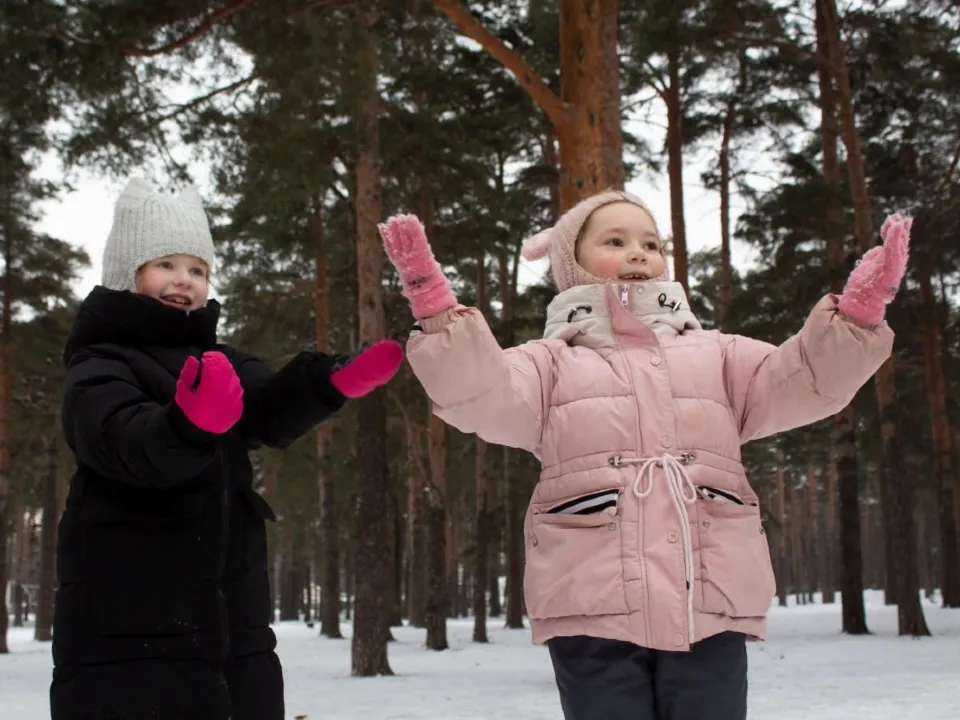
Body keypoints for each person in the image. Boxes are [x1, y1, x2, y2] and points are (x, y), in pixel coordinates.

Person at [378, 189, 907, 720]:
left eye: (651, 244)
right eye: (615, 241)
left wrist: (857, 316)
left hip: (709, 601)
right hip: (593, 605)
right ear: (572, 263)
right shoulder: (548, 365)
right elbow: (479, 393)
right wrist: (437, 309)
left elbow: (805, 379)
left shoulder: (718, 355)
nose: (639, 253)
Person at [51, 178, 403, 720]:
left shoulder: (218, 358)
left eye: (198, 269)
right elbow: (124, 440)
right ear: (126, 272)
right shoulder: (100, 362)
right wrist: (189, 425)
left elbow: (265, 405)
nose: (184, 280)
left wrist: (326, 383)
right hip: (130, 633)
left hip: (233, 631)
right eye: (166, 264)